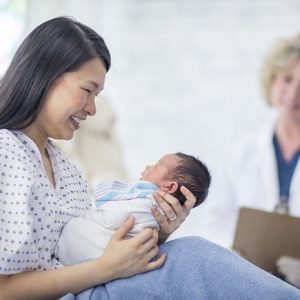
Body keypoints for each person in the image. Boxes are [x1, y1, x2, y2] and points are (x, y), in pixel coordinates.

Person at [0, 16, 299, 300]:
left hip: (95, 285)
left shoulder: (67, 170)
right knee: (194, 259)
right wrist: (105, 268)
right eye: (88, 90)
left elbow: (97, 241)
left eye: (97, 95)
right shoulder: (7, 153)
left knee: (192, 258)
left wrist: (155, 232)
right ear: (45, 74)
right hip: (86, 288)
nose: (92, 109)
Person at [201, 33, 300, 288]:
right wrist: (231, 257)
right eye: (287, 79)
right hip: (248, 283)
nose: (294, 93)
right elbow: (216, 222)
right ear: (271, 81)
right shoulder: (241, 153)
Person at [55, 152, 211, 266]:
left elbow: (111, 210)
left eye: (156, 166)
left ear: (169, 187)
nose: (147, 167)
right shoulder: (149, 204)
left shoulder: (147, 201)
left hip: (80, 255)